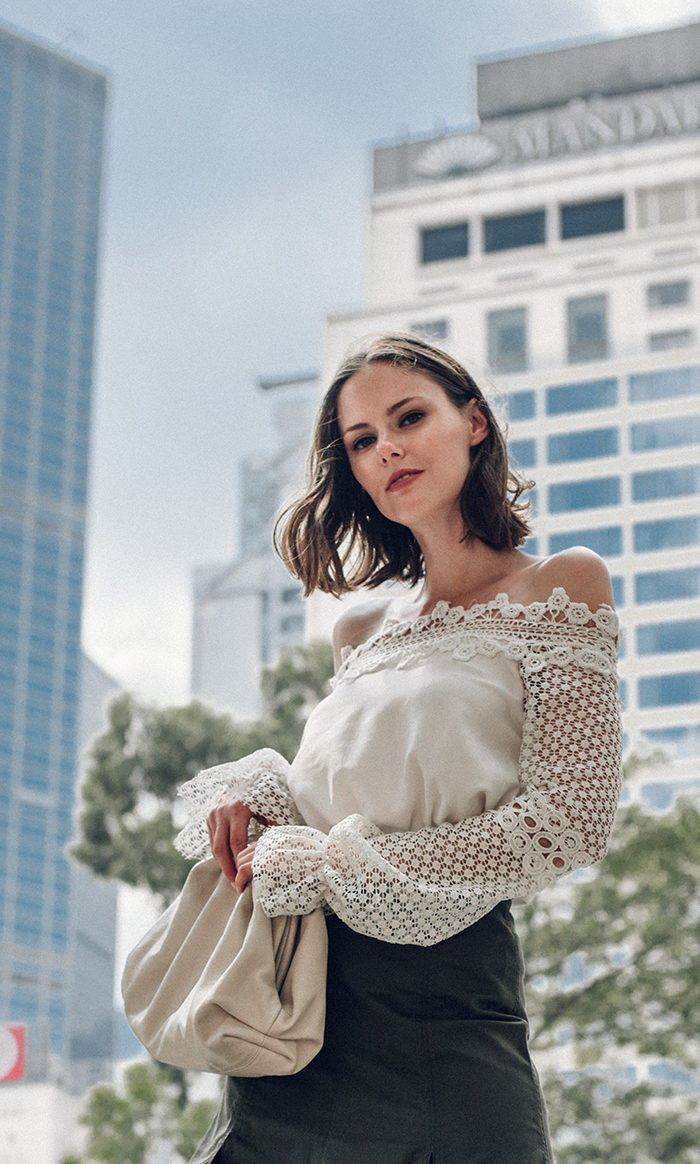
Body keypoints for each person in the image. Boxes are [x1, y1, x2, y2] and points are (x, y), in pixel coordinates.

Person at [175, 333, 623, 1164]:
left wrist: (348, 867)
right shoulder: (358, 628)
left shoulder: (561, 582)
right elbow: (342, 796)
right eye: (361, 441)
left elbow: (571, 819)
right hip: (297, 1012)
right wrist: (264, 815)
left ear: (476, 423)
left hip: (444, 1008)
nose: (387, 448)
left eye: (409, 417)